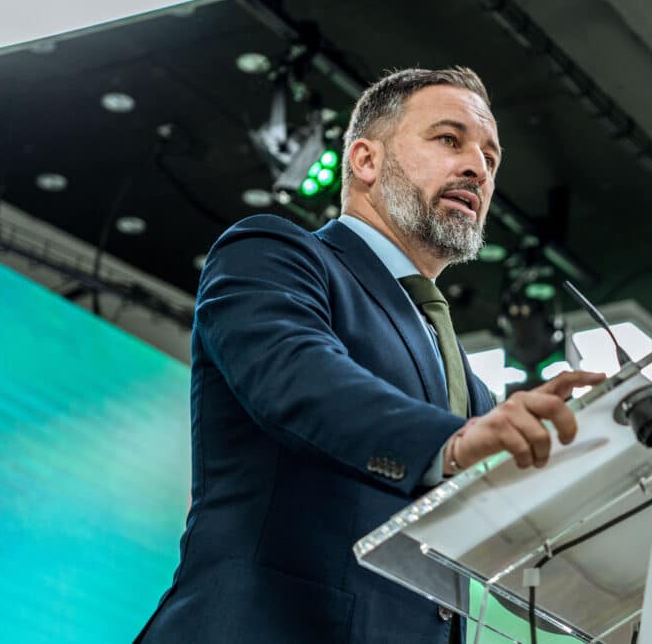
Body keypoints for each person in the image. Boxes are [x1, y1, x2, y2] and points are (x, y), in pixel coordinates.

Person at [134, 67, 604, 644]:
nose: (477, 169)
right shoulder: (276, 254)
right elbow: (300, 378)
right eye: (448, 140)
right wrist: (447, 443)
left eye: (490, 158)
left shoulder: (469, 386)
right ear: (364, 161)